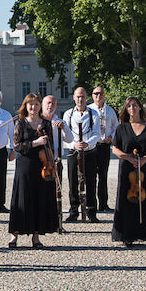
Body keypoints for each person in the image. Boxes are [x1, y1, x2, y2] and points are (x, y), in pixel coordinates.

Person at [112, 96, 146, 247]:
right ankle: (127, 234)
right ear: (126, 109)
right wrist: (129, 158)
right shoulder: (122, 127)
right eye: (129, 106)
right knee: (126, 201)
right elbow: (115, 148)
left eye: (135, 105)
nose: (132, 109)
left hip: (145, 168)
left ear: (140, 107)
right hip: (127, 169)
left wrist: (144, 159)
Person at [7, 94, 58, 249]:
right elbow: (17, 146)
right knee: (22, 198)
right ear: (25, 106)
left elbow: (50, 146)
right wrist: (35, 143)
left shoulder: (46, 124)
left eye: (36, 104)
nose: (33, 107)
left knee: (38, 199)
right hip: (24, 165)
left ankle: (36, 236)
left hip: (41, 165)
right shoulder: (21, 123)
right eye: (30, 104)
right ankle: (14, 235)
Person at [63, 87, 100, 222]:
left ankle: (91, 211)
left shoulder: (93, 114)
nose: (80, 99)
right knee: (73, 181)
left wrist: (87, 143)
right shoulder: (68, 114)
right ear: (74, 97)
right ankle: (74, 211)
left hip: (89, 152)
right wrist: (74, 145)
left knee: (90, 181)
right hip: (74, 152)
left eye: (83, 96)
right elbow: (65, 135)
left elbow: (96, 133)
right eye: (78, 96)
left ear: (86, 98)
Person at [39, 95, 67, 223]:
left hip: (55, 161)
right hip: (41, 161)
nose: (50, 106)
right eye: (48, 103)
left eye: (53, 104)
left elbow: (70, 139)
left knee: (56, 192)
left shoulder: (59, 121)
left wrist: (64, 128)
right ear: (42, 105)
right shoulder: (37, 121)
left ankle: (55, 220)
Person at [90, 87, 118, 212]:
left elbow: (116, 127)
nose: (98, 96)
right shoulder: (89, 109)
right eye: (96, 94)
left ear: (104, 95)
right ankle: (91, 204)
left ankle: (103, 203)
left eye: (100, 93)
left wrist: (111, 137)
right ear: (92, 95)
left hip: (104, 145)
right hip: (92, 146)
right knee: (91, 176)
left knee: (103, 175)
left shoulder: (110, 110)